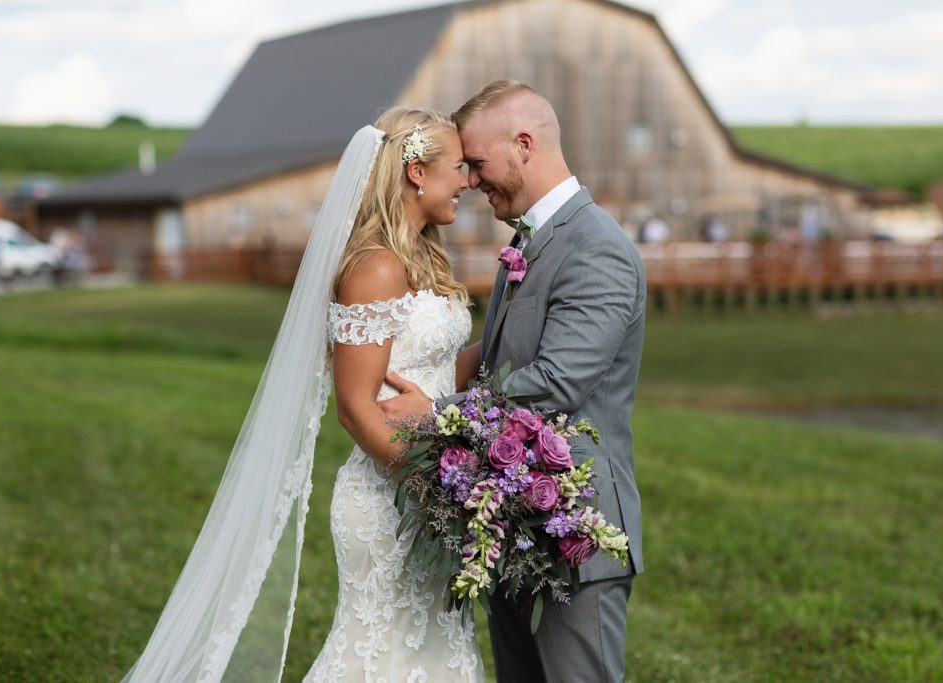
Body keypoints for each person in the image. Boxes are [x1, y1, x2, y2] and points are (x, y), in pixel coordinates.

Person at [120, 108, 482, 682]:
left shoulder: (423, 256)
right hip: (393, 497)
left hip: (431, 482)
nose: (469, 181)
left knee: (435, 648)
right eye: (458, 167)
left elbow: (432, 369)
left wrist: (508, 351)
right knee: (382, 652)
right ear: (416, 171)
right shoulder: (375, 267)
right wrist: (439, 488)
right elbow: (356, 407)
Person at [382, 80, 646, 682]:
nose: (470, 180)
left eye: (476, 163)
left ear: (523, 145)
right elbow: (499, 358)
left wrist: (435, 412)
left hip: (578, 532)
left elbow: (555, 382)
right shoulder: (527, 243)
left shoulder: (595, 248)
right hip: (515, 520)